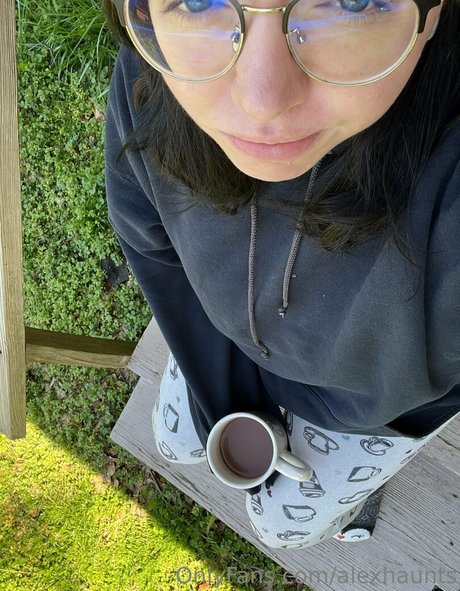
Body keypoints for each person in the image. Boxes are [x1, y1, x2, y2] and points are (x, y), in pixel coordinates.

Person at [102, 0, 460, 548]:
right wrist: (218, 390)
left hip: (363, 413)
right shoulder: (156, 70)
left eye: (353, 1)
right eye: (198, 0)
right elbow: (152, 247)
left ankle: (354, 498)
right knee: (172, 440)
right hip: (217, 343)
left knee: (281, 528)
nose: (262, 101)